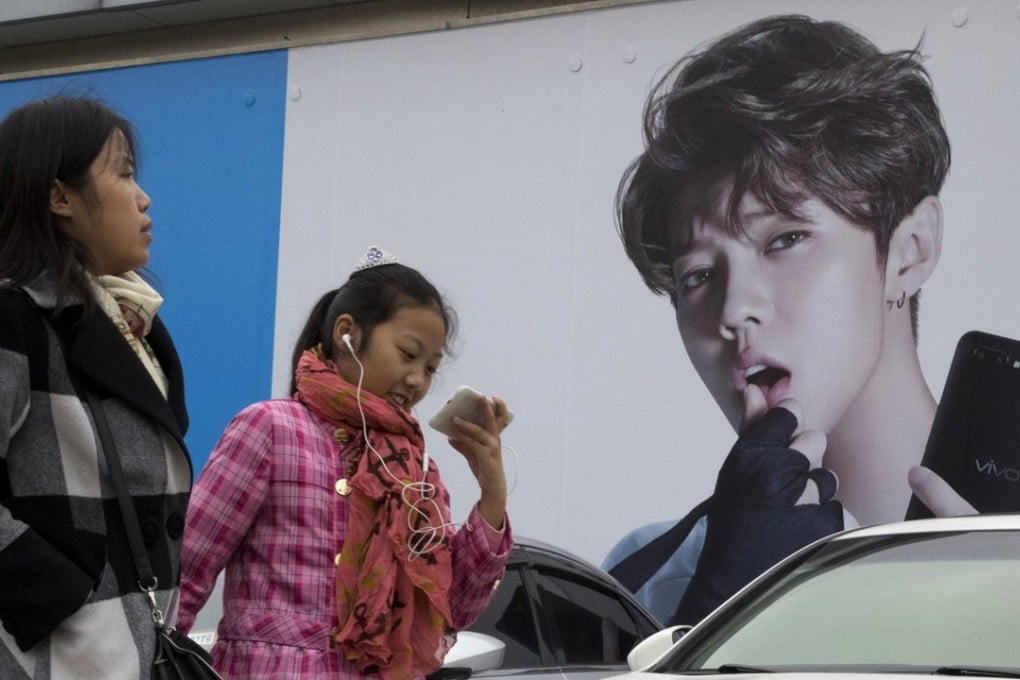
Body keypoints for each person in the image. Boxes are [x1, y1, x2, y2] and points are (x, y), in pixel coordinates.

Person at [602, 14, 971, 626]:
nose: (735, 308)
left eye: (785, 240)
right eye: (698, 276)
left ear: (910, 251)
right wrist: (722, 620)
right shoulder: (655, 578)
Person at [177, 246, 513, 679]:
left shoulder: (415, 470)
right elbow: (187, 573)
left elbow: (455, 607)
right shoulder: (271, 428)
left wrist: (492, 493)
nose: (417, 380)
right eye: (408, 355)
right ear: (347, 333)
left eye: (430, 368)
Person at [0, 96, 192, 678]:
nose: (144, 197)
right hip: (58, 659)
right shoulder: (15, 317)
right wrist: (60, 596)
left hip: (132, 652)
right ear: (60, 197)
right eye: (125, 172)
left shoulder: (134, 328)